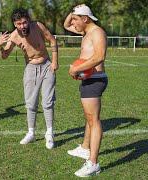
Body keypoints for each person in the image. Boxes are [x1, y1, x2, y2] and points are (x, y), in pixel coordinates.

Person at [0, 8, 58, 149]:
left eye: (24, 22)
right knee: (31, 103)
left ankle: (50, 133)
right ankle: (31, 132)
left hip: (47, 65)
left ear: (28, 21)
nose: (22, 26)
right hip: (30, 68)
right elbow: (4, 56)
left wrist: (55, 62)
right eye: (19, 24)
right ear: (14, 24)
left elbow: (52, 40)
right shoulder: (13, 36)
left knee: (48, 102)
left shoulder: (38, 26)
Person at [64, 4, 108, 177]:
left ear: (85, 19)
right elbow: (66, 25)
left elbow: (99, 56)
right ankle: (84, 148)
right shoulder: (86, 32)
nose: (73, 22)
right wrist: (73, 11)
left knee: (94, 120)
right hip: (89, 79)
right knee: (90, 118)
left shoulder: (97, 32)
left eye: (76, 19)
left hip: (95, 80)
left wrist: (76, 69)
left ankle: (93, 163)